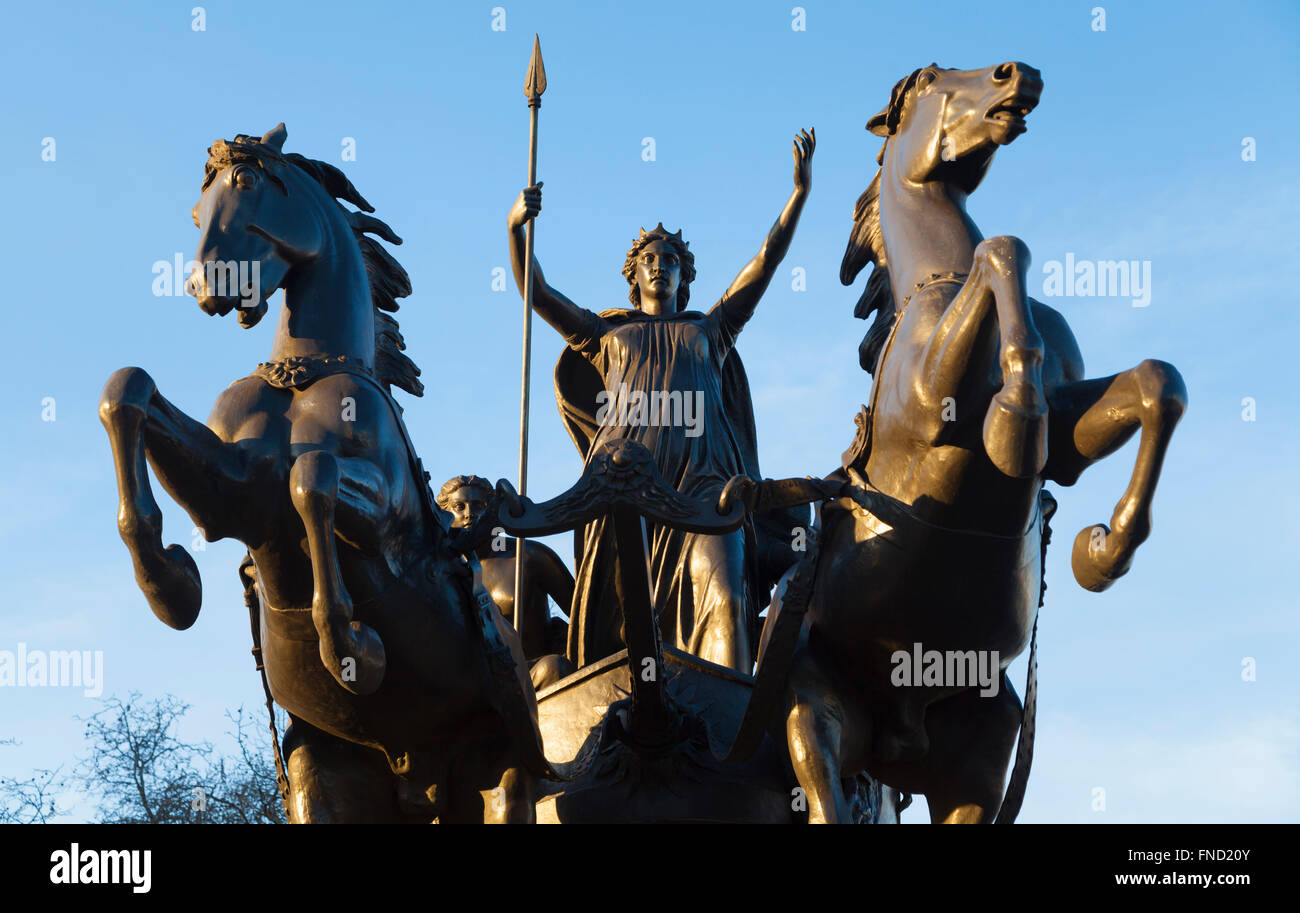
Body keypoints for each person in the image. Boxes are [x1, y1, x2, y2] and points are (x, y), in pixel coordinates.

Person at [506, 129, 816, 673]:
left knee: (725, 596)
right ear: (633, 276)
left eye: (670, 259)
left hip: (704, 493)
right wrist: (516, 228)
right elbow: (537, 292)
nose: (659, 264)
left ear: (684, 277)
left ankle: (729, 722)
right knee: (624, 629)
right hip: (625, 491)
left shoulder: (710, 332)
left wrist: (798, 195)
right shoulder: (605, 336)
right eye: (649, 258)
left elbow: (765, 264)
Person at [437, 474, 575, 689]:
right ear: (444, 515)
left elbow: (584, 613)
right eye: (459, 507)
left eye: (478, 505)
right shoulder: (439, 573)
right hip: (478, 688)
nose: (469, 514)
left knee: (554, 668)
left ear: (493, 511)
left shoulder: (528, 557)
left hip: (537, 677)